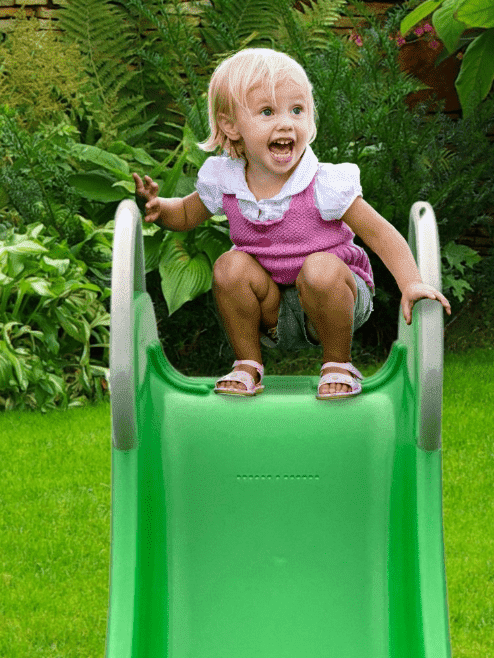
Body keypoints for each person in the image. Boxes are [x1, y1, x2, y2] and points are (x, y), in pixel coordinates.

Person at [133, 47, 451, 400]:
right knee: (229, 265)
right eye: (267, 112)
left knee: (319, 268)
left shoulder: (324, 183)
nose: (286, 122)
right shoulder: (226, 180)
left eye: (297, 110)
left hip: (333, 299)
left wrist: (411, 283)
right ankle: (248, 365)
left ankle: (338, 364)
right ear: (230, 125)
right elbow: (188, 214)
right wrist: (159, 210)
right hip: (271, 309)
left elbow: (378, 232)